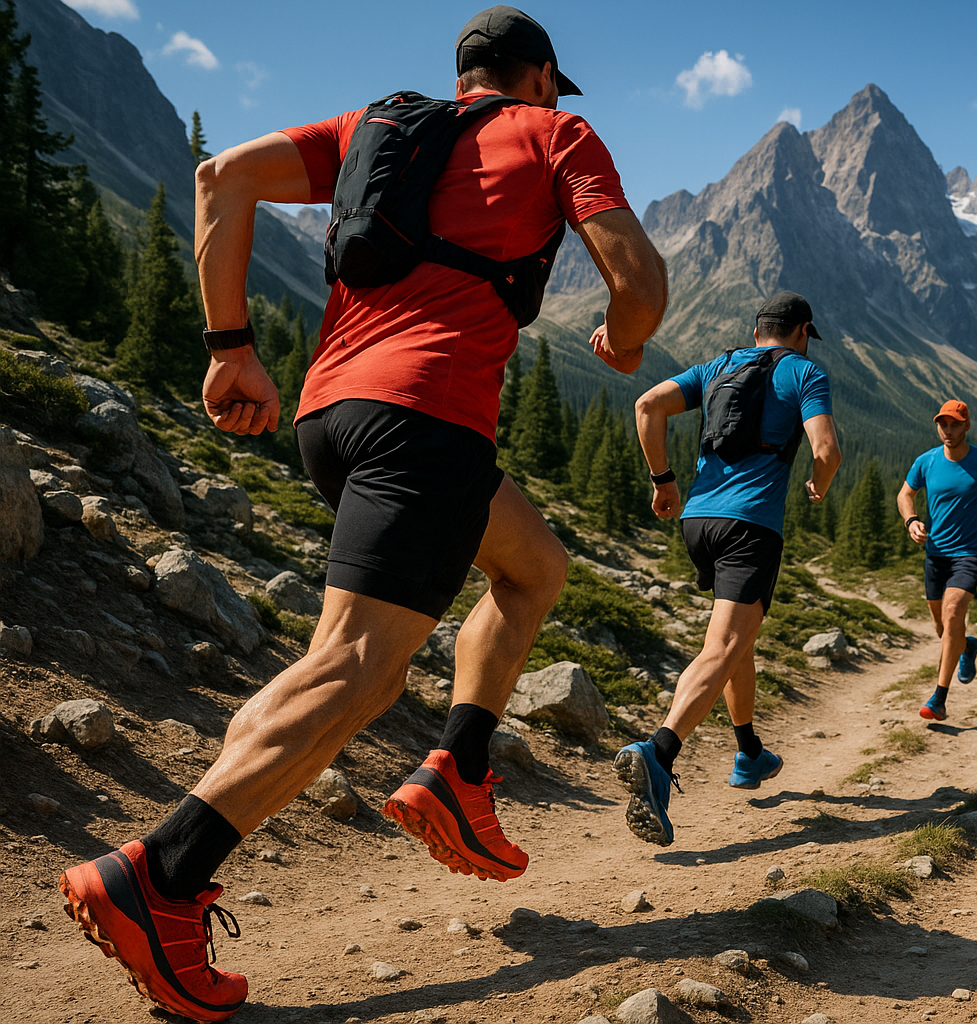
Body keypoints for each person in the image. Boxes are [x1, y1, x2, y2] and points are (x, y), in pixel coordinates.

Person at [58, 7, 667, 1020]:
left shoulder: (378, 129)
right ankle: (157, 879)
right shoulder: (556, 133)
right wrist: (624, 338)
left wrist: (228, 348)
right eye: (556, 86)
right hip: (426, 424)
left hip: (334, 414)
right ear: (541, 76)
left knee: (534, 566)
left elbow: (225, 179)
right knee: (357, 667)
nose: (560, 101)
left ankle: (459, 770)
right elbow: (639, 278)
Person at [617, 291, 841, 846]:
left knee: (740, 639)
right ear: (802, 330)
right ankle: (659, 753)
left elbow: (647, 406)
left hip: (700, 521)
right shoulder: (804, 372)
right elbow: (827, 448)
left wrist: (663, 481)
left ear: (759, 327)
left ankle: (748, 754)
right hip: (751, 527)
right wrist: (821, 481)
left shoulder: (720, 365)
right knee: (721, 648)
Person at [896, 400, 977, 722]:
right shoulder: (926, 462)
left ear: (967, 426)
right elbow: (904, 494)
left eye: (954, 424)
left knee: (953, 612)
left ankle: (938, 698)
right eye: (942, 424)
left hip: (969, 554)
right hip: (935, 554)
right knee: (942, 627)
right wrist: (911, 521)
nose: (948, 431)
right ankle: (967, 646)